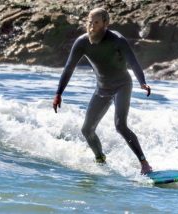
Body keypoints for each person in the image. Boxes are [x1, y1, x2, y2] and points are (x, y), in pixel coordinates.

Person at [52, 7, 153, 175]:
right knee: (87, 130)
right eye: (90, 22)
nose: (91, 26)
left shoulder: (117, 40)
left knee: (120, 125)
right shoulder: (82, 42)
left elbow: (133, 63)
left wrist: (142, 82)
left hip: (122, 85)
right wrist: (58, 93)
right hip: (102, 89)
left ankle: (144, 164)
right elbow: (69, 68)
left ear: (106, 23)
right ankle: (100, 159)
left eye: (96, 22)